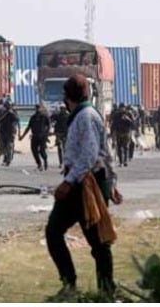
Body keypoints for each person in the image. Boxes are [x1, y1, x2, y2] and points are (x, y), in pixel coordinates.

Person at [45, 74, 121, 300]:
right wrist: (114, 182)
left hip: (86, 185)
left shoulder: (85, 116)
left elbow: (89, 154)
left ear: (67, 97)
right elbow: (106, 152)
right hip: (84, 182)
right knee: (55, 231)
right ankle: (71, 284)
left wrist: (68, 183)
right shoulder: (85, 115)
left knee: (98, 242)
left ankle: (105, 291)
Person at [20, 104, 51, 171]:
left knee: (42, 150)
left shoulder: (44, 117)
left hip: (42, 136)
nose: (37, 109)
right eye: (36, 108)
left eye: (38, 108)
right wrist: (22, 136)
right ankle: (39, 164)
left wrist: (47, 134)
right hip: (34, 136)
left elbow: (49, 126)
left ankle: (45, 160)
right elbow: (28, 127)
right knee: (33, 150)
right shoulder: (33, 117)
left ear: (41, 109)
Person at [0, 100, 19, 166]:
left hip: (10, 132)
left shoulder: (13, 113)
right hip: (3, 131)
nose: (7, 107)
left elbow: (17, 120)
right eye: (6, 106)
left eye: (8, 106)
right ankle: (5, 158)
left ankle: (8, 159)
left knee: (9, 146)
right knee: (3, 146)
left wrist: (12, 113)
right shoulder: (2, 113)